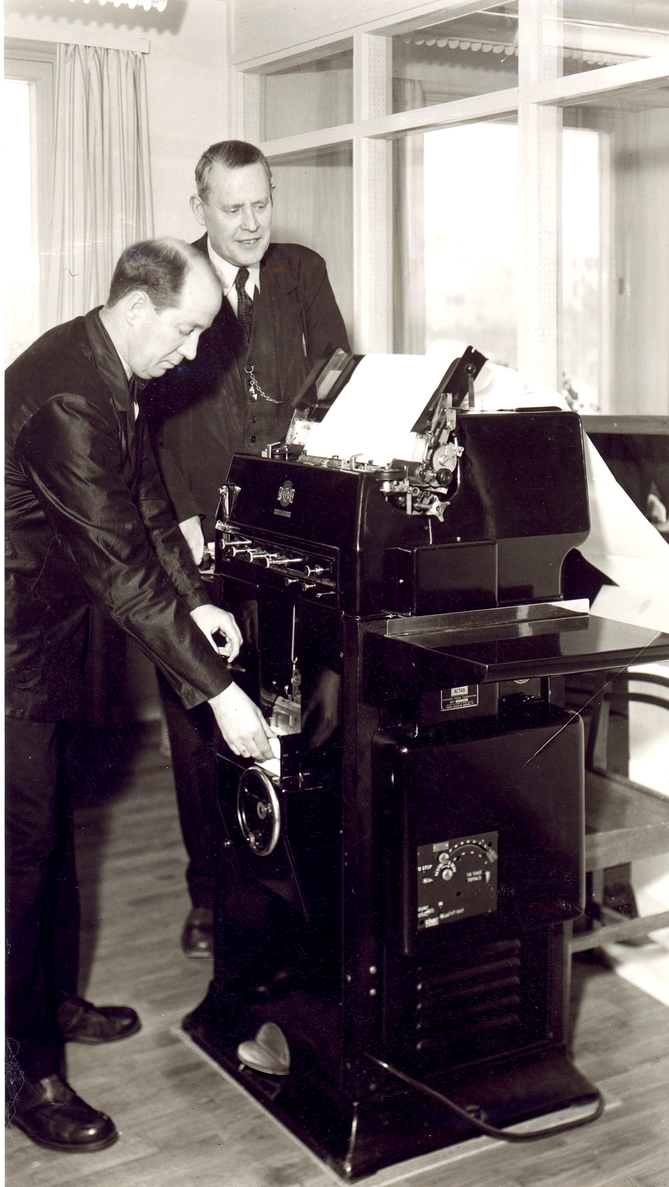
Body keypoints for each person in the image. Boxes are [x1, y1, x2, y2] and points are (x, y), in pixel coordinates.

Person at [5, 238, 273, 1153]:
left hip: (48, 635)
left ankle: (53, 1002)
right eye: (186, 332)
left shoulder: (113, 371)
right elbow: (120, 569)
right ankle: (27, 1074)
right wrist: (220, 693)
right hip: (10, 650)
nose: (192, 355)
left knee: (52, 839)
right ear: (134, 309)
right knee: (20, 858)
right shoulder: (71, 397)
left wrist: (199, 603)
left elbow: (151, 510)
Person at [144, 140, 350, 958]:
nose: (250, 223)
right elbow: (144, 419)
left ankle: (288, 882)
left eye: (261, 204)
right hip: (195, 539)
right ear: (199, 208)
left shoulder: (303, 273)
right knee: (201, 721)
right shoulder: (169, 279)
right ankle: (210, 894)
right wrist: (182, 517)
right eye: (232, 209)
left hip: (288, 537)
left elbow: (336, 387)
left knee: (296, 710)